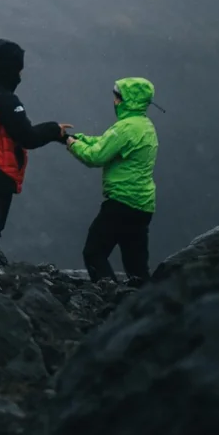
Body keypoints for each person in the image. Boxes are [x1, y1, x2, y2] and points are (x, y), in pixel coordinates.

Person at [0, 38, 70, 246]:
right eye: (18, 69)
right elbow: (28, 137)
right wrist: (54, 130)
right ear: (9, 69)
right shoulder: (6, 99)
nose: (20, 76)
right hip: (1, 173)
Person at [65, 77, 160, 283]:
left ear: (128, 101)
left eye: (118, 98)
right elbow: (105, 142)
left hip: (121, 203)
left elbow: (95, 157)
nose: (115, 102)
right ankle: (146, 305)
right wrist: (81, 138)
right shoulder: (144, 126)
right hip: (142, 206)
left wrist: (71, 144)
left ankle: (110, 298)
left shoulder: (125, 128)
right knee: (136, 266)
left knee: (93, 253)